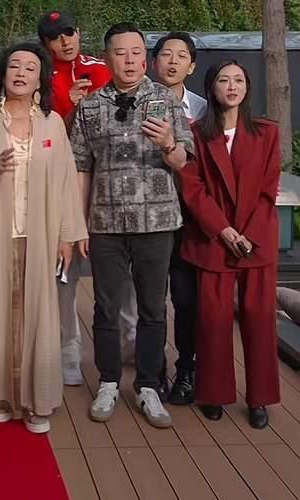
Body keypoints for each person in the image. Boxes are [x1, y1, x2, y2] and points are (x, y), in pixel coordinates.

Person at [0, 42, 88, 434]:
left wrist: (67, 234)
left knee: (38, 315)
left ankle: (35, 400)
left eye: (30, 67)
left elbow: (66, 181)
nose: (21, 73)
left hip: (40, 232)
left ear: (41, 78)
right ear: (3, 74)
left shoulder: (52, 123)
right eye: (14, 66)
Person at [70, 23, 194, 429]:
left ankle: (149, 384)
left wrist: (167, 144)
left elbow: (184, 162)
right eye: (120, 52)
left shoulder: (166, 100)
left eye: (136, 52)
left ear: (145, 57)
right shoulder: (90, 106)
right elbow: (81, 168)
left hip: (156, 221)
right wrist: (80, 222)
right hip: (105, 222)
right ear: (107, 58)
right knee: (105, 308)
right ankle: (108, 381)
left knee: (153, 308)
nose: (129, 60)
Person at [179, 60, 281, 429]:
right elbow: (193, 189)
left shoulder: (267, 132)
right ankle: (214, 393)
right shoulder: (195, 134)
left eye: (239, 79)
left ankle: (260, 398)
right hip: (214, 239)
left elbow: (269, 188)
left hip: (256, 239)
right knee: (213, 320)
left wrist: (248, 234)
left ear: (247, 87)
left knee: (259, 319)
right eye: (224, 80)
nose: (232, 86)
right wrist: (223, 230)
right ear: (211, 87)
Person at [38, 10, 111, 386]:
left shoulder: (102, 69)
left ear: (79, 33)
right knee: (65, 270)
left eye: (69, 32)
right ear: (45, 43)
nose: (65, 41)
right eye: (56, 36)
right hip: (60, 186)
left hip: (107, 185)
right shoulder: (38, 77)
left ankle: (127, 343)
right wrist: (66, 106)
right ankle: (68, 349)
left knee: (117, 271)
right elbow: (40, 141)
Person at [152, 32, 207, 405]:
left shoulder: (204, 109)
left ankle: (187, 369)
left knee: (187, 300)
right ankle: (153, 372)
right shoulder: (138, 101)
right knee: (151, 301)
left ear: (192, 65)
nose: (172, 61)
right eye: (166, 54)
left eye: (181, 55)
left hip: (191, 218)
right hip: (151, 217)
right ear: (153, 61)